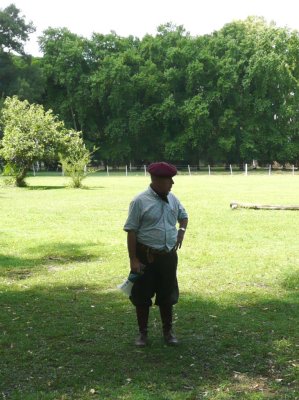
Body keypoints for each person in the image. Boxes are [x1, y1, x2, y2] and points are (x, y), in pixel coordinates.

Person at [123, 161, 188, 346]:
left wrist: (181, 233)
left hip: (167, 257)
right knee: (142, 296)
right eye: (169, 180)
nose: (172, 184)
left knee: (167, 295)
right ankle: (142, 334)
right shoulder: (139, 201)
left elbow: (184, 216)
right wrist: (133, 259)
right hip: (146, 256)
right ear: (157, 180)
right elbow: (131, 231)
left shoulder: (173, 198)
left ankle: (168, 333)